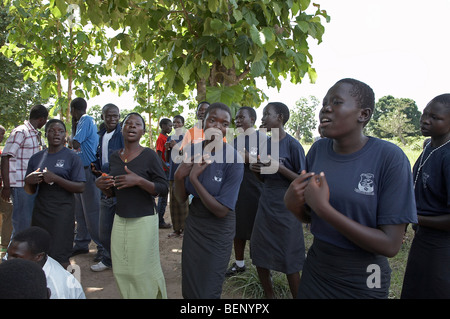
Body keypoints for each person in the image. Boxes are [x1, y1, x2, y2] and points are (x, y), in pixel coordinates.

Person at [284, 78, 417, 299]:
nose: (325, 108)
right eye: (325, 102)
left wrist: (326, 210)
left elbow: (391, 245)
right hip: (318, 266)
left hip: (366, 276)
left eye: (336, 102)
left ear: (363, 115)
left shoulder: (389, 158)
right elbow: (311, 216)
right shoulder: (318, 150)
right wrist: (293, 205)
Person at [174, 102, 244, 299]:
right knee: (190, 282)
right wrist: (180, 177)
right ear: (203, 122)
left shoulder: (233, 159)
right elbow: (180, 198)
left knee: (209, 289)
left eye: (224, 123)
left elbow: (222, 210)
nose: (217, 126)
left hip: (219, 229)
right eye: (212, 120)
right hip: (195, 223)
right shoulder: (190, 151)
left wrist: (195, 180)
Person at [95, 112, 168, 299]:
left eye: (137, 124)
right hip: (120, 218)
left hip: (143, 218)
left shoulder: (149, 155)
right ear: (122, 128)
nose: (133, 126)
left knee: (141, 270)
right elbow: (113, 191)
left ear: (143, 131)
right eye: (128, 123)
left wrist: (139, 181)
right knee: (121, 269)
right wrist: (103, 187)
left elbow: (163, 188)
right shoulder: (114, 157)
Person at [249, 102, 306, 299]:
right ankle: (269, 295)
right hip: (266, 203)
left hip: (287, 208)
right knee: (260, 252)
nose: (263, 118)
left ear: (280, 118)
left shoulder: (293, 146)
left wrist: (279, 167)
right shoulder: (265, 144)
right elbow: (263, 178)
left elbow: (302, 180)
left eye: (267, 114)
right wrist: (256, 171)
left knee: (289, 257)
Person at [401, 93, 450, 299]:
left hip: (443, 246)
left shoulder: (448, 156)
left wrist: (409, 216)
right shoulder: (429, 147)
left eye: (435, 118)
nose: (425, 120)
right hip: (423, 238)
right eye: (424, 114)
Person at [24, 119, 86, 268]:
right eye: (52, 130)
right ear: (46, 134)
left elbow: (81, 187)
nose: (56, 133)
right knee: (39, 253)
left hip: (62, 213)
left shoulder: (72, 157)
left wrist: (56, 178)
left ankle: (64, 289)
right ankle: (41, 288)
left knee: (60, 256)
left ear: (65, 135)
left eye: (60, 131)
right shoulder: (36, 158)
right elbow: (29, 191)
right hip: (40, 212)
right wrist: (28, 181)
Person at [1, 104, 48, 245]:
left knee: (28, 223)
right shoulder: (21, 132)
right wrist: (7, 186)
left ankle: (23, 256)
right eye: (45, 120)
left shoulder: (35, 134)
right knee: (21, 225)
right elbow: (6, 157)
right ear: (41, 119)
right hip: (20, 185)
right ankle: (12, 258)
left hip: (32, 185)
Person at [226, 106, 264, 276]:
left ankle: (262, 268)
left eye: (242, 117)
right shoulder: (234, 141)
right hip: (238, 192)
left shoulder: (264, 140)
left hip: (257, 191)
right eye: (237, 118)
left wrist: (250, 159)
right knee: (238, 229)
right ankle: (239, 264)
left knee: (257, 231)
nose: (238, 121)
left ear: (253, 120)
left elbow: (269, 164)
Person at [90, 103, 124, 272]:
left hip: (121, 186)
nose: (112, 119)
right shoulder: (101, 135)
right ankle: (108, 259)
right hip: (105, 186)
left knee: (123, 228)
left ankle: (121, 261)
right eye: (109, 116)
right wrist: (95, 167)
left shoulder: (122, 134)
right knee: (104, 229)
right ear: (102, 117)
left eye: (115, 115)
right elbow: (100, 157)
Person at [7, 226, 86, 299]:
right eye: (8, 254)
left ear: (39, 256)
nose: (8, 260)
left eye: (16, 257)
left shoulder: (55, 287)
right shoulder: (28, 260)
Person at [70, 97, 103, 261]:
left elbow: (75, 143)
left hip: (88, 170)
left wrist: (63, 138)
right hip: (79, 171)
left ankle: (101, 246)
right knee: (80, 211)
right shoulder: (83, 122)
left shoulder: (85, 119)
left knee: (92, 211)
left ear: (74, 110)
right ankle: (81, 243)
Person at [165, 115, 189, 238]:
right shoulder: (170, 137)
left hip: (183, 172)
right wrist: (168, 148)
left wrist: (175, 147)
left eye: (178, 122)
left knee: (183, 202)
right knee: (173, 203)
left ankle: (185, 229)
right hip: (172, 172)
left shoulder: (186, 136)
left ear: (183, 124)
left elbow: (188, 154)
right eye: (174, 122)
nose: (175, 124)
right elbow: (168, 156)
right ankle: (176, 229)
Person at [156, 118, 173, 229]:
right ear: (163, 126)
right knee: (163, 196)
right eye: (169, 126)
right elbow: (158, 154)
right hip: (164, 171)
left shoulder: (167, 138)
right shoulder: (161, 139)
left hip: (167, 169)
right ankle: (159, 220)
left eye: (171, 126)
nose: (171, 128)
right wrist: (165, 167)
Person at [0, 125, 13, 254]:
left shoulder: (2, 152)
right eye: (0, 134)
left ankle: (5, 244)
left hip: (2, 188)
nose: (1, 136)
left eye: (3, 134)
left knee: (9, 211)